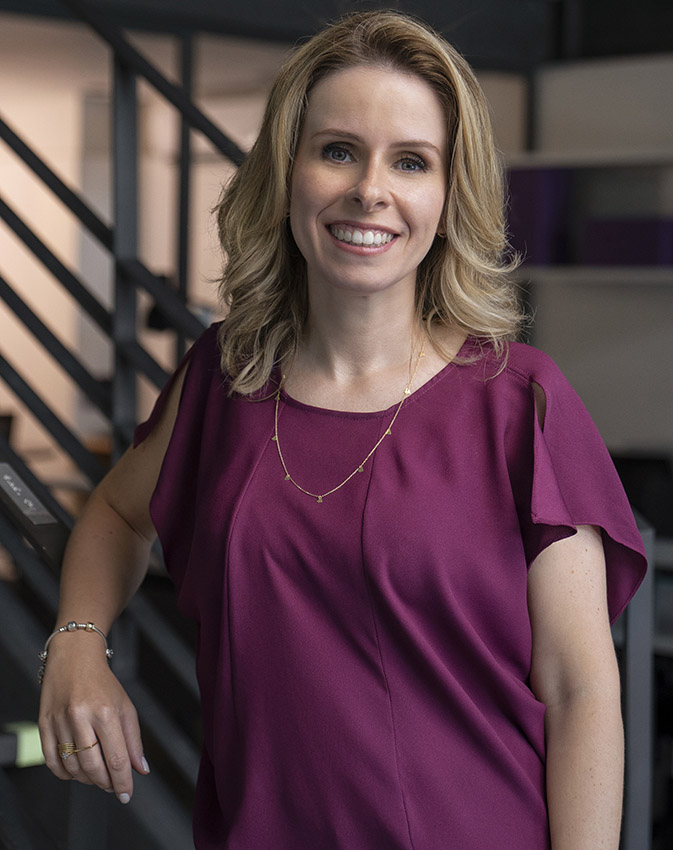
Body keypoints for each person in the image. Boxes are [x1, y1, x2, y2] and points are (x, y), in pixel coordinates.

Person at [38, 10, 646, 849]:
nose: (370, 189)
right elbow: (114, 515)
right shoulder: (224, 377)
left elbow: (582, 692)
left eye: (410, 161)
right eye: (336, 151)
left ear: (446, 193)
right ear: (286, 173)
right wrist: (77, 640)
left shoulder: (519, 405)